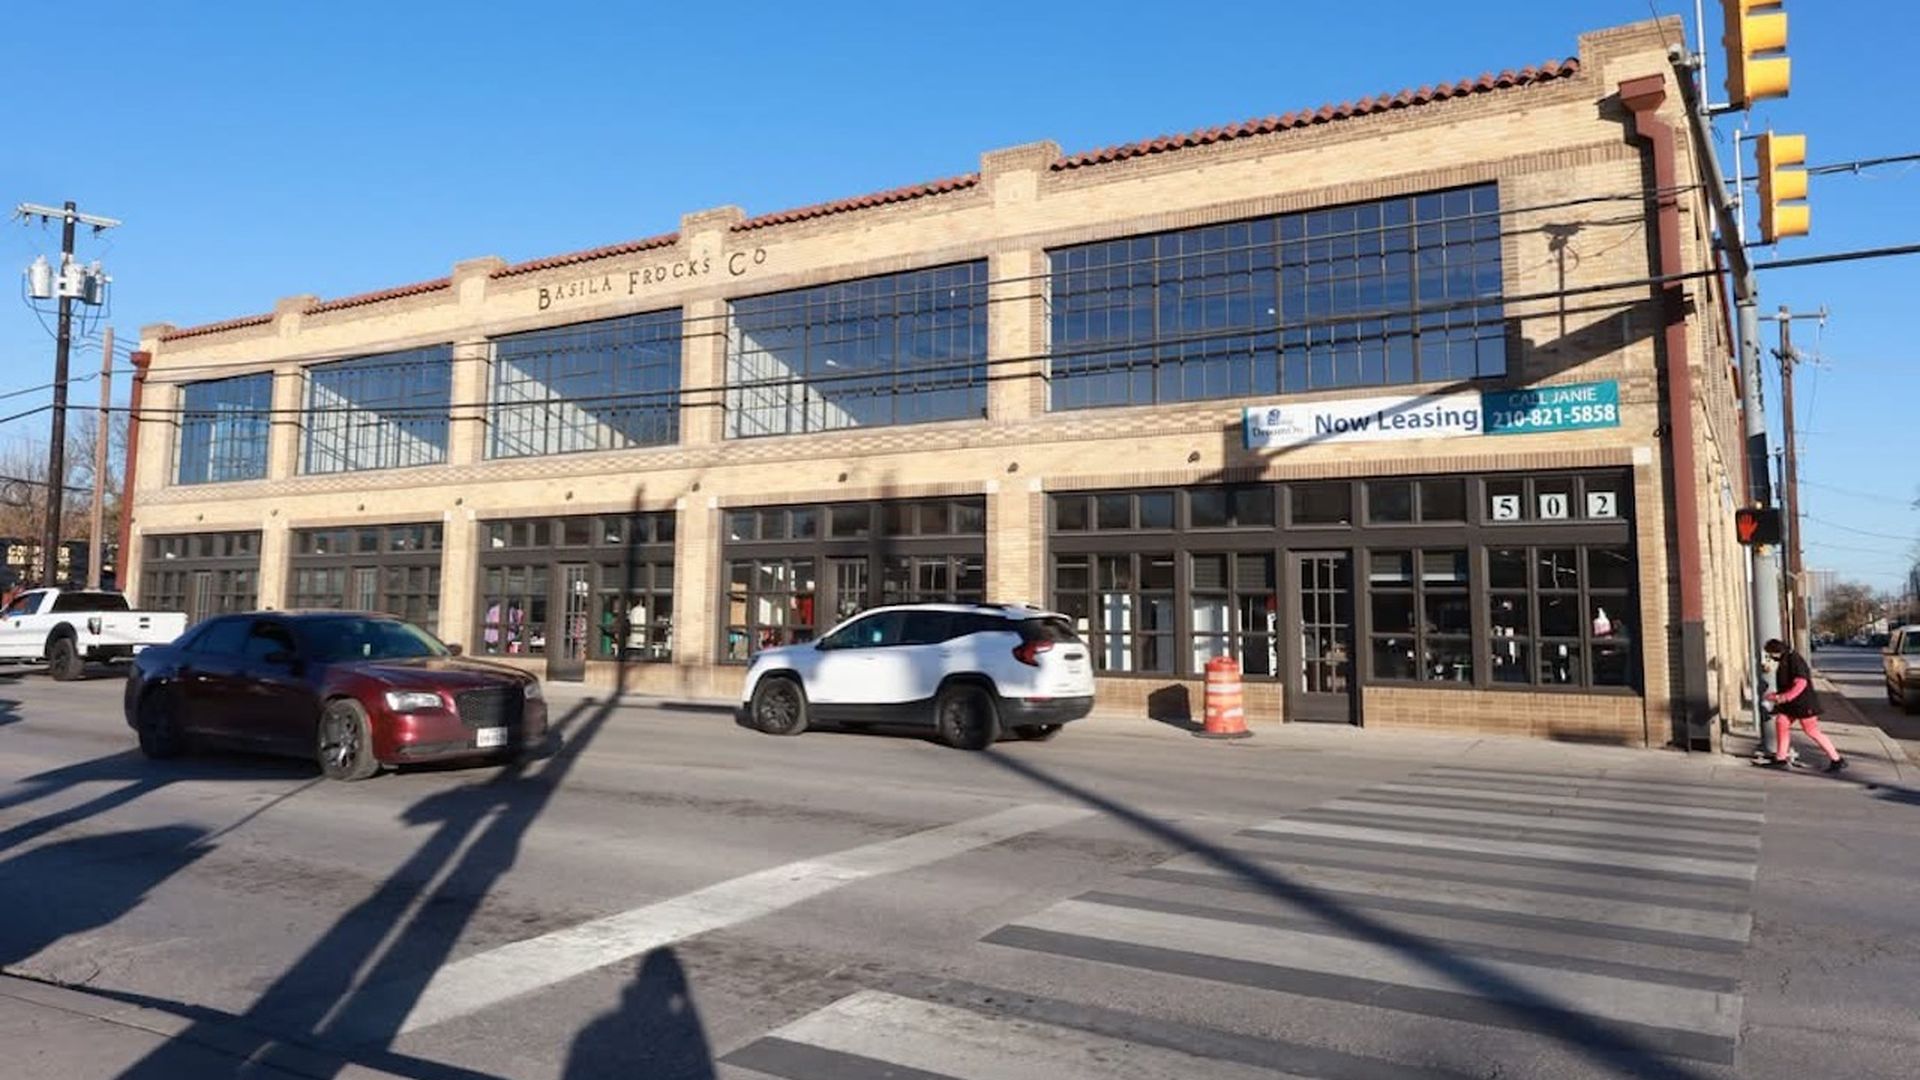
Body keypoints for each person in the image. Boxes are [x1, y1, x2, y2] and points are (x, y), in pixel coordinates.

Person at [1757, 638, 1846, 772]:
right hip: (1791, 705)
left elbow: (1801, 683)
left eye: (1770, 654)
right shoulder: (1785, 659)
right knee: (1782, 722)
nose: (1770, 657)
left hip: (1803, 704)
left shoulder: (1794, 660)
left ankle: (1837, 759)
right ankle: (1781, 758)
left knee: (1811, 730)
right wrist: (1778, 696)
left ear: (1776, 651)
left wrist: (1784, 697)